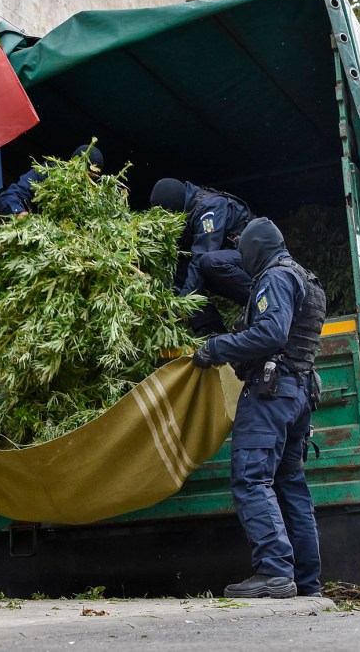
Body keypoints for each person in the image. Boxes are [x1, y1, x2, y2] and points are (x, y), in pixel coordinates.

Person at [191, 216, 326, 599]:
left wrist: (215, 349)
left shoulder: (276, 277)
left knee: (251, 478)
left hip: (271, 392)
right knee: (289, 484)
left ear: (257, 248)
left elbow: (271, 332)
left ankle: (274, 572)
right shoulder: (306, 278)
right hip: (298, 392)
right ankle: (306, 580)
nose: (241, 257)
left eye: (243, 250)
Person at [149, 178, 255, 336]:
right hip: (230, 264)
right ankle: (210, 329)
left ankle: (265, 302)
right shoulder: (189, 211)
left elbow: (202, 256)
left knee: (208, 262)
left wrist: (182, 304)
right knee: (175, 264)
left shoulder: (210, 208)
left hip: (254, 264)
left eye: (168, 212)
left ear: (174, 205)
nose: (168, 217)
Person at [0, 144, 104, 216]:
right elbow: (9, 197)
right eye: (84, 176)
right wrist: (20, 214)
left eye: (92, 179)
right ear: (73, 165)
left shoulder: (92, 200)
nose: (86, 182)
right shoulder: (48, 173)